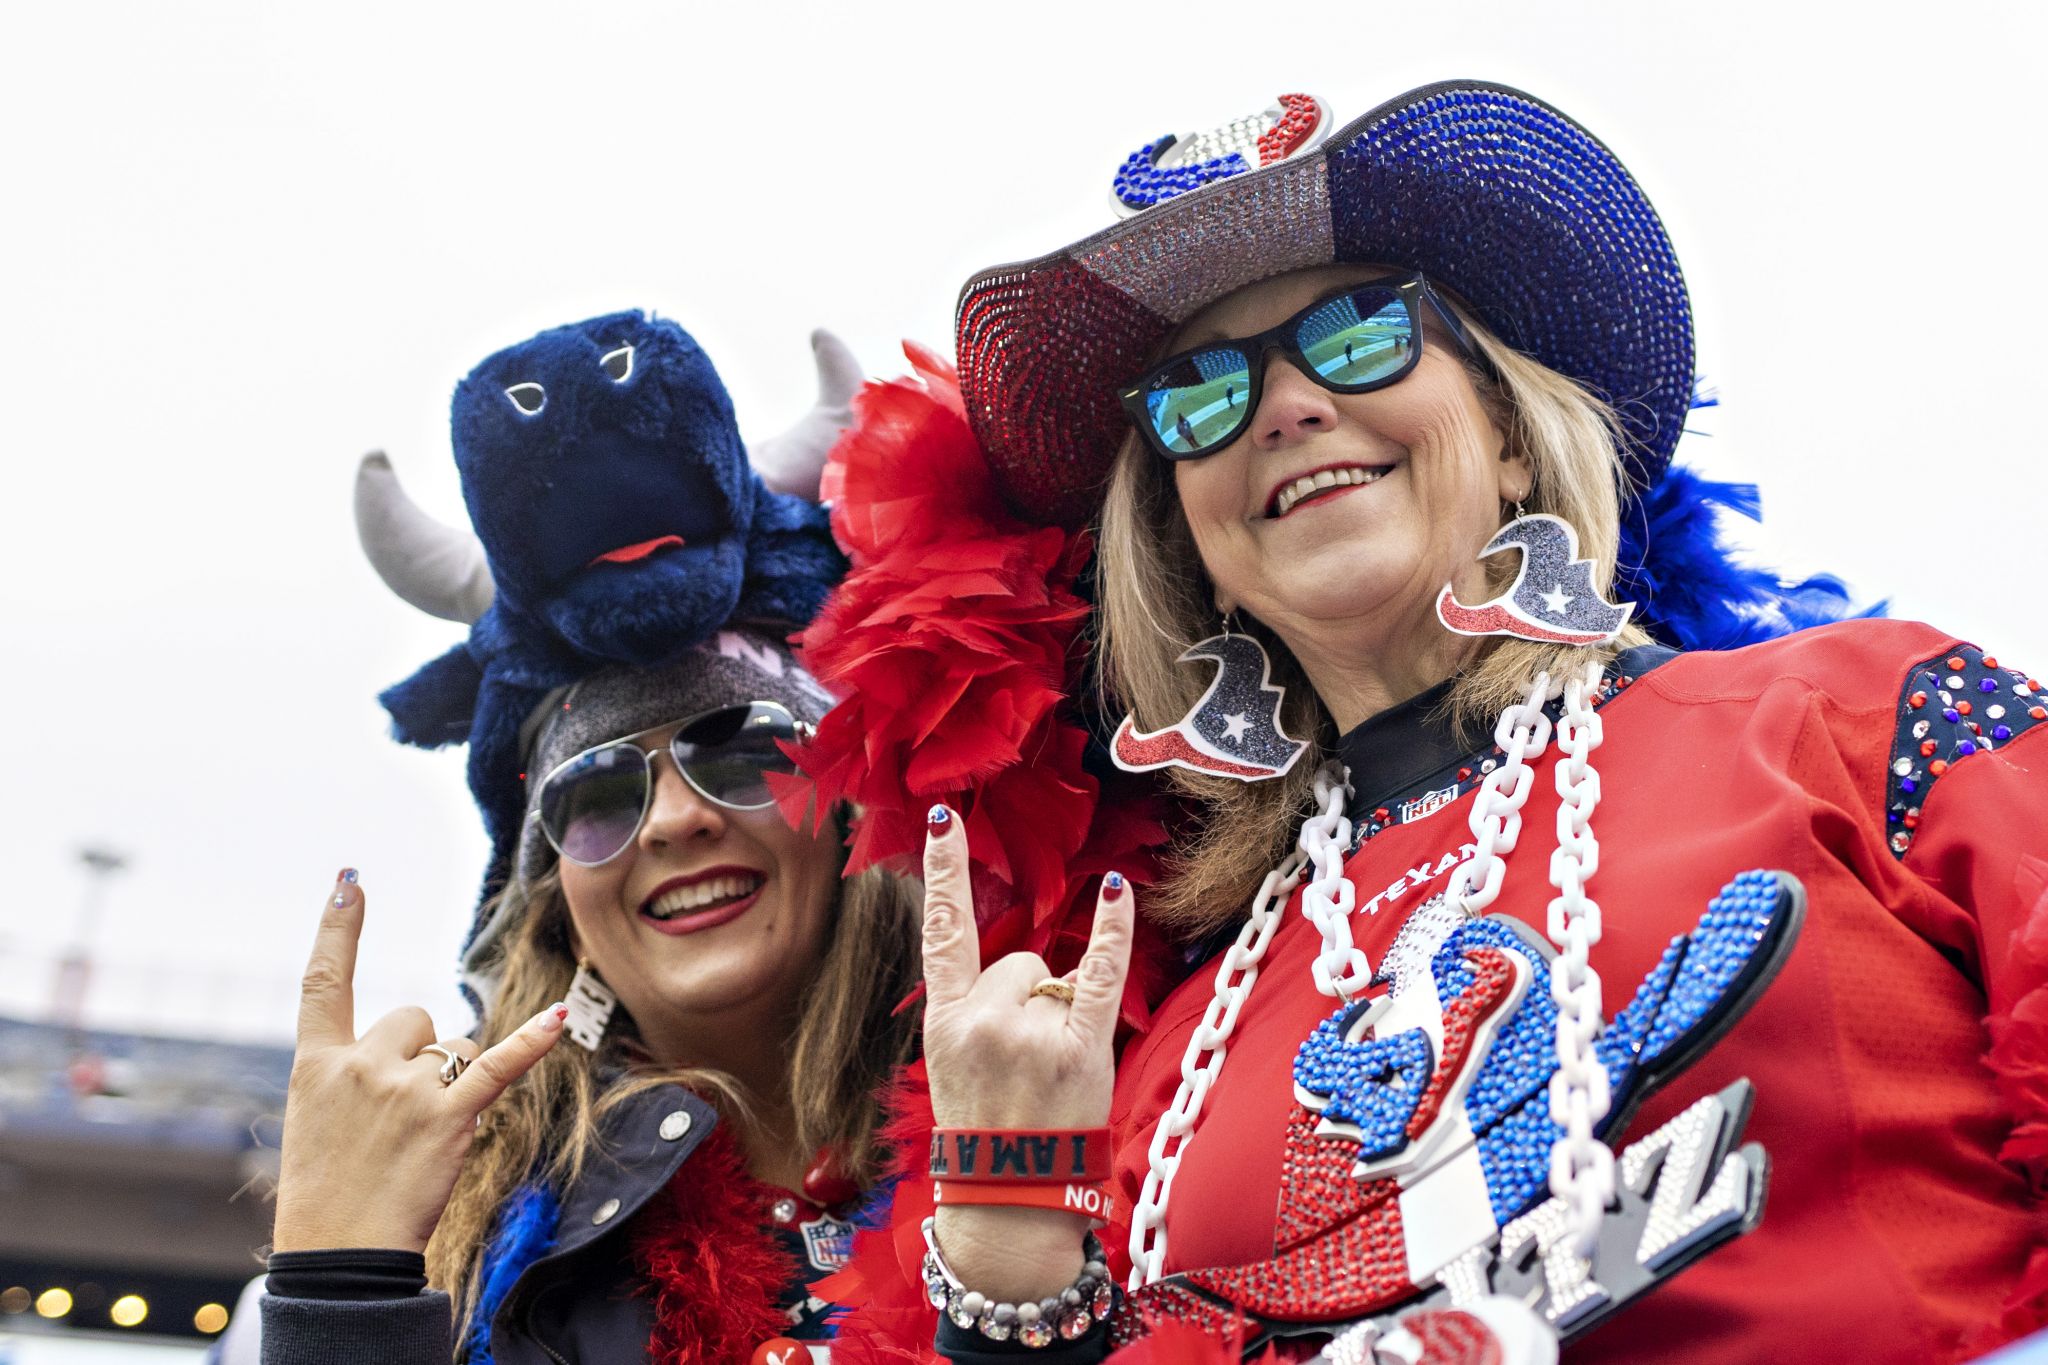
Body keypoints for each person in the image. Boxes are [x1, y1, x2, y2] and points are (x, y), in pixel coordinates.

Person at [827, 83, 2047, 1363]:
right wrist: (1010, 1217)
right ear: (1188, 533)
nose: (1286, 407)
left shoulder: (1868, 720)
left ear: (1511, 433)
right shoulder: (1167, 1065)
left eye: (1359, 335)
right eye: (1200, 396)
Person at [246, 315, 924, 1365]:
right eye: (598, 794)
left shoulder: (1046, 1101)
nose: (675, 818)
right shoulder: (443, 1241)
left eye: (739, 750)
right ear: (550, 886)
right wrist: (342, 1286)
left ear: (844, 801)